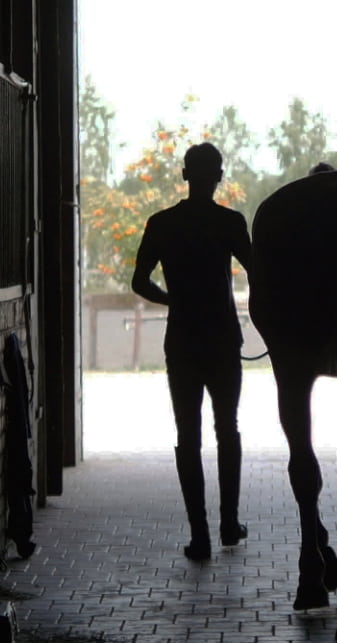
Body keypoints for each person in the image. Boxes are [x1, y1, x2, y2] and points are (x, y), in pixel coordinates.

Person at [131, 142, 252, 560]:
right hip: (222, 337)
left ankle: (199, 534)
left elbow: (139, 282)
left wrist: (173, 300)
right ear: (219, 176)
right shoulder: (231, 223)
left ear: (185, 175)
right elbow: (259, 271)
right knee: (227, 430)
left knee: (189, 435)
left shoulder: (161, 224)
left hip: (182, 338)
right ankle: (229, 525)